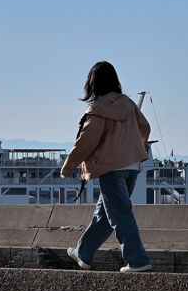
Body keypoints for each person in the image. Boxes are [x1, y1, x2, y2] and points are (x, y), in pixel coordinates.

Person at [60, 61, 153, 273]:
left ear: (92, 84)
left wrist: (68, 167)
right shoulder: (128, 104)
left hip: (110, 169)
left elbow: (86, 141)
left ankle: (138, 260)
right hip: (131, 166)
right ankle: (84, 253)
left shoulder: (98, 109)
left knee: (120, 214)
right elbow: (144, 126)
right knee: (104, 214)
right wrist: (141, 143)